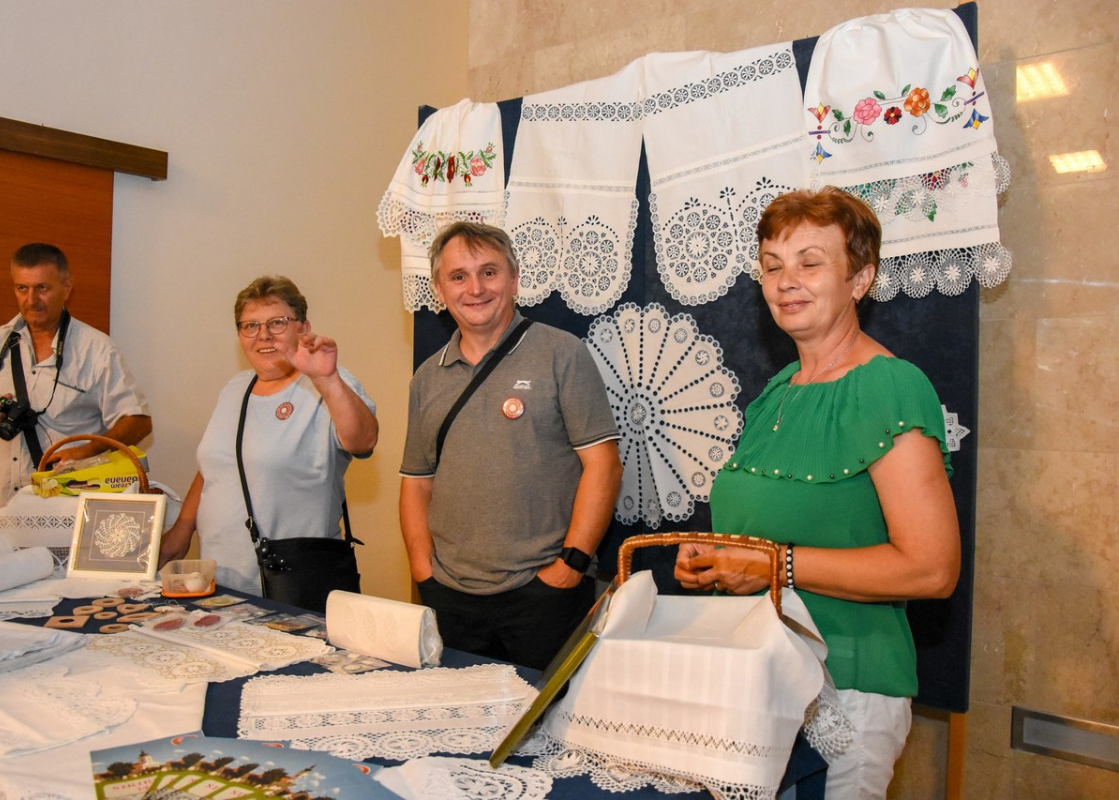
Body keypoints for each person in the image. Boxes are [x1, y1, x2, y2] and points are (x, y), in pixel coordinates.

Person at [674, 188, 960, 798]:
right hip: (757, 677)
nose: (786, 281)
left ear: (861, 279)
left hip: (845, 689)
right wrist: (715, 557)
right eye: (772, 265)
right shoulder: (778, 390)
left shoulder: (889, 385)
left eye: (810, 262)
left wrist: (772, 566)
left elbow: (932, 569)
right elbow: (778, 527)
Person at [400, 222, 623, 671]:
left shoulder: (562, 354)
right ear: (439, 290)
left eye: (489, 272)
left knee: (550, 713)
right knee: (460, 713)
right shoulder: (427, 377)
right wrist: (424, 573)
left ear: (515, 279)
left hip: (544, 595)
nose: (475, 289)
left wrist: (570, 566)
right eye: (458, 276)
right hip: (450, 596)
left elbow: (604, 466)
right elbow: (417, 483)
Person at [159, 276, 377, 606]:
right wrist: (182, 528)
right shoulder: (236, 388)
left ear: (303, 328)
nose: (263, 335)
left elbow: (363, 441)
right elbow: (215, 466)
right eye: (251, 325)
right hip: (222, 582)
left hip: (293, 584)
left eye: (277, 322)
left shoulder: (324, 384)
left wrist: (328, 379)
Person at [0, 243, 152, 530]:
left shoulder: (96, 350)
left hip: (67, 518)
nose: (31, 300)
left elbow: (138, 422)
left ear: (67, 288)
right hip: (0, 515)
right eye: (22, 288)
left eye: (42, 288)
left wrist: (88, 451)